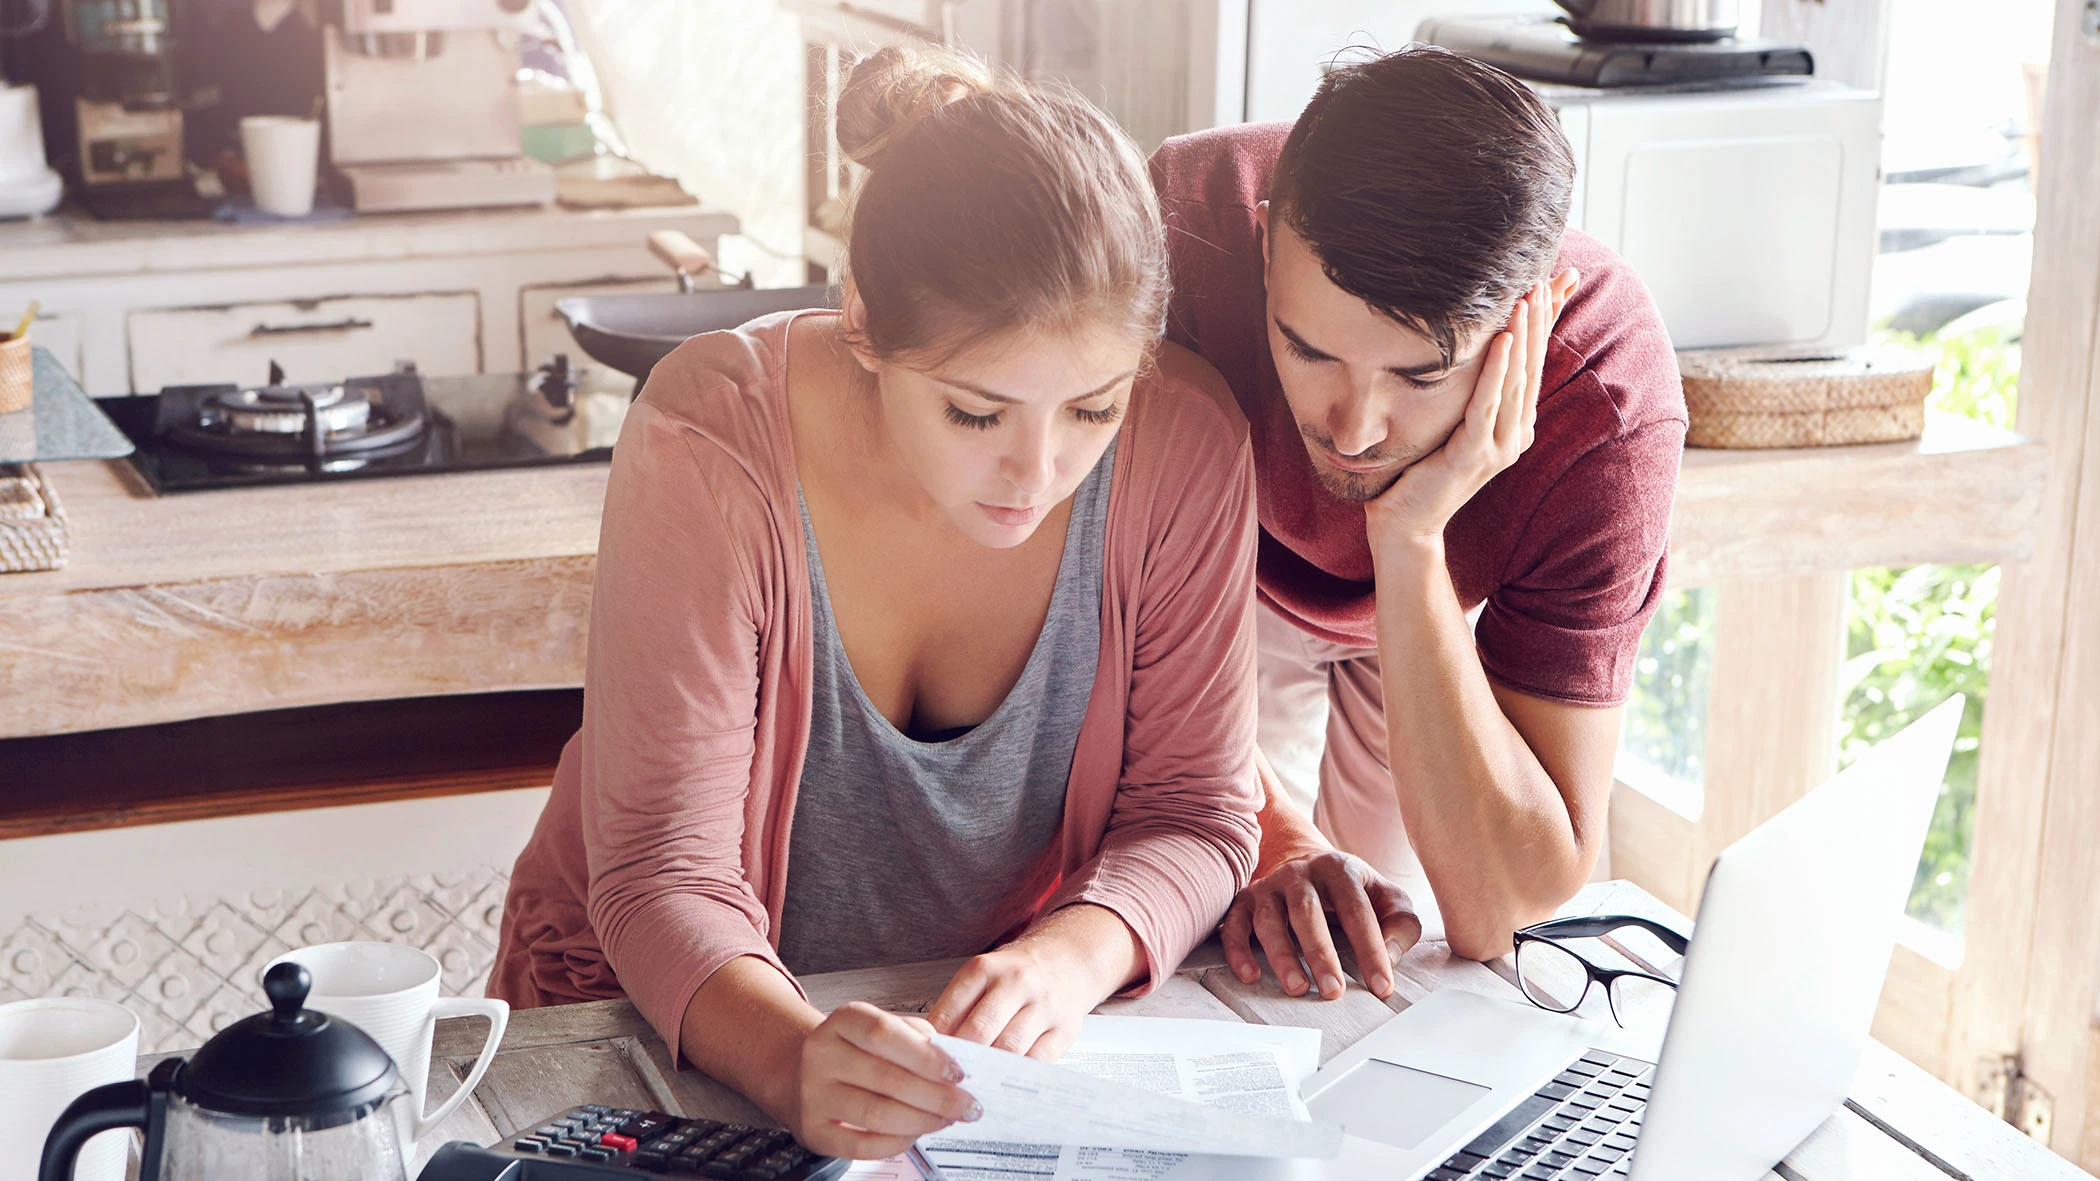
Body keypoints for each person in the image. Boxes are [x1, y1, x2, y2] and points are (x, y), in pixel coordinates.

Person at [492, 46, 1263, 1161]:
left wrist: (1069, 958)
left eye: (1092, 410)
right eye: (975, 413)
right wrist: (790, 1055)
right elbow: (664, 870)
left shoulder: (1186, 447)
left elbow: (1194, 809)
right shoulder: (711, 439)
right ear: (863, 324)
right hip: (645, 1017)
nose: (1036, 473)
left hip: (952, 1055)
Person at [1149, 46, 1687, 999]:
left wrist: (1408, 538)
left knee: (1390, 943)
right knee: (1223, 906)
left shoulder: (1607, 404)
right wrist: (1273, 836)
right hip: (1204, 573)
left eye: (1419, 375)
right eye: (1308, 349)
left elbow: (1501, 904)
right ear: (1266, 242)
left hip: (1439, 597)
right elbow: (1072, 619)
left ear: (1530, 316)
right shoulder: (1174, 231)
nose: (1352, 431)